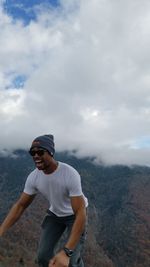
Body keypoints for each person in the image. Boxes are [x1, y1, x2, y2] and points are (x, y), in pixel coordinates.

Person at [0, 134, 88, 267]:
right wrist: (1, 231)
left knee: (70, 261)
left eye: (40, 152)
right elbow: (20, 206)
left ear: (51, 153)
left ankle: (76, 261)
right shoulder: (34, 177)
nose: (36, 156)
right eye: (32, 153)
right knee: (43, 257)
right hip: (55, 215)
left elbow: (80, 212)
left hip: (75, 216)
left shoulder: (70, 174)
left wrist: (67, 252)